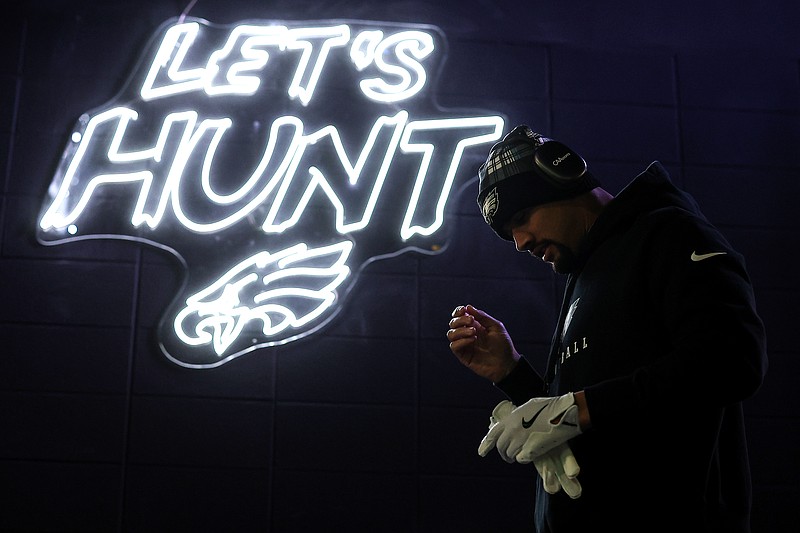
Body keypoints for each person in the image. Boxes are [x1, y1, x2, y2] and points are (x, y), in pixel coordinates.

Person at [446, 125, 767, 532]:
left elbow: (732, 358)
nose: (520, 242)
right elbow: (581, 422)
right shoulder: (585, 277)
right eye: (509, 233)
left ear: (563, 176)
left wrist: (579, 408)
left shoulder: (669, 233)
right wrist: (512, 373)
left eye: (522, 218)